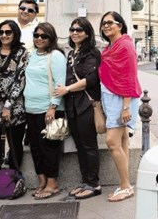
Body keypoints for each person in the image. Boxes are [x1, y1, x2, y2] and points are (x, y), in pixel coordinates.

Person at [54, 17, 102, 200]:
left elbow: (90, 80)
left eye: (79, 30)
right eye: (72, 29)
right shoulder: (72, 53)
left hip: (86, 105)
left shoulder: (92, 53)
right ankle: (85, 181)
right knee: (80, 146)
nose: (75, 32)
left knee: (89, 146)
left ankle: (94, 184)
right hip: (72, 106)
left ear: (87, 33)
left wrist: (66, 89)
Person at [98, 11, 142, 202]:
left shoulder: (125, 45)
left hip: (121, 98)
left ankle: (125, 186)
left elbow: (129, 75)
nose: (106, 26)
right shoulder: (111, 46)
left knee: (112, 142)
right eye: (103, 23)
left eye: (110, 22)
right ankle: (125, 184)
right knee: (123, 141)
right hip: (111, 96)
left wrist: (125, 107)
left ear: (120, 25)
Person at [23, 22, 67, 199]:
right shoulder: (31, 55)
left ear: (51, 38)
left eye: (44, 36)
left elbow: (60, 82)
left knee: (49, 148)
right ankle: (41, 180)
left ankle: (52, 183)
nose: (39, 38)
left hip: (49, 109)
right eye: (36, 35)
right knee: (35, 147)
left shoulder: (56, 56)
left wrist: (52, 106)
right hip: (30, 108)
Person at [0, 20, 28, 183]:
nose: (4, 35)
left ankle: (13, 177)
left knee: (15, 144)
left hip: (15, 107)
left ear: (15, 34)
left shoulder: (21, 53)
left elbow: (20, 80)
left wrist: (8, 106)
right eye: (1, 32)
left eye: (8, 32)